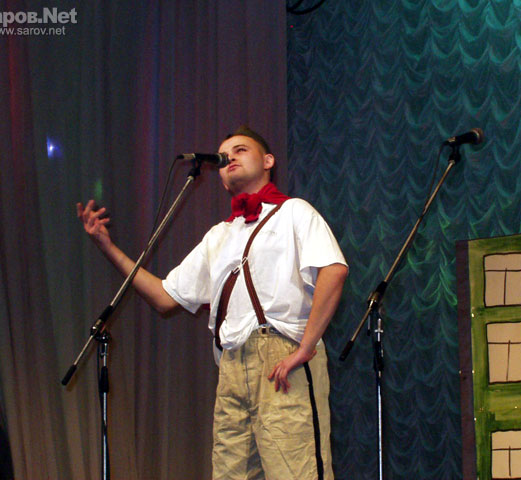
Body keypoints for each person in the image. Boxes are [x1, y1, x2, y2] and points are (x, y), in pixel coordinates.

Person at [77, 126, 348, 479]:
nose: (229, 158)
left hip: (282, 357)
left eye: (240, 150)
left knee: (295, 472)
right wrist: (106, 246)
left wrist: (305, 348)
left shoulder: (294, 212)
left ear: (268, 161)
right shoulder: (219, 236)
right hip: (232, 366)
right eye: (224, 156)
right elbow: (164, 296)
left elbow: (334, 270)